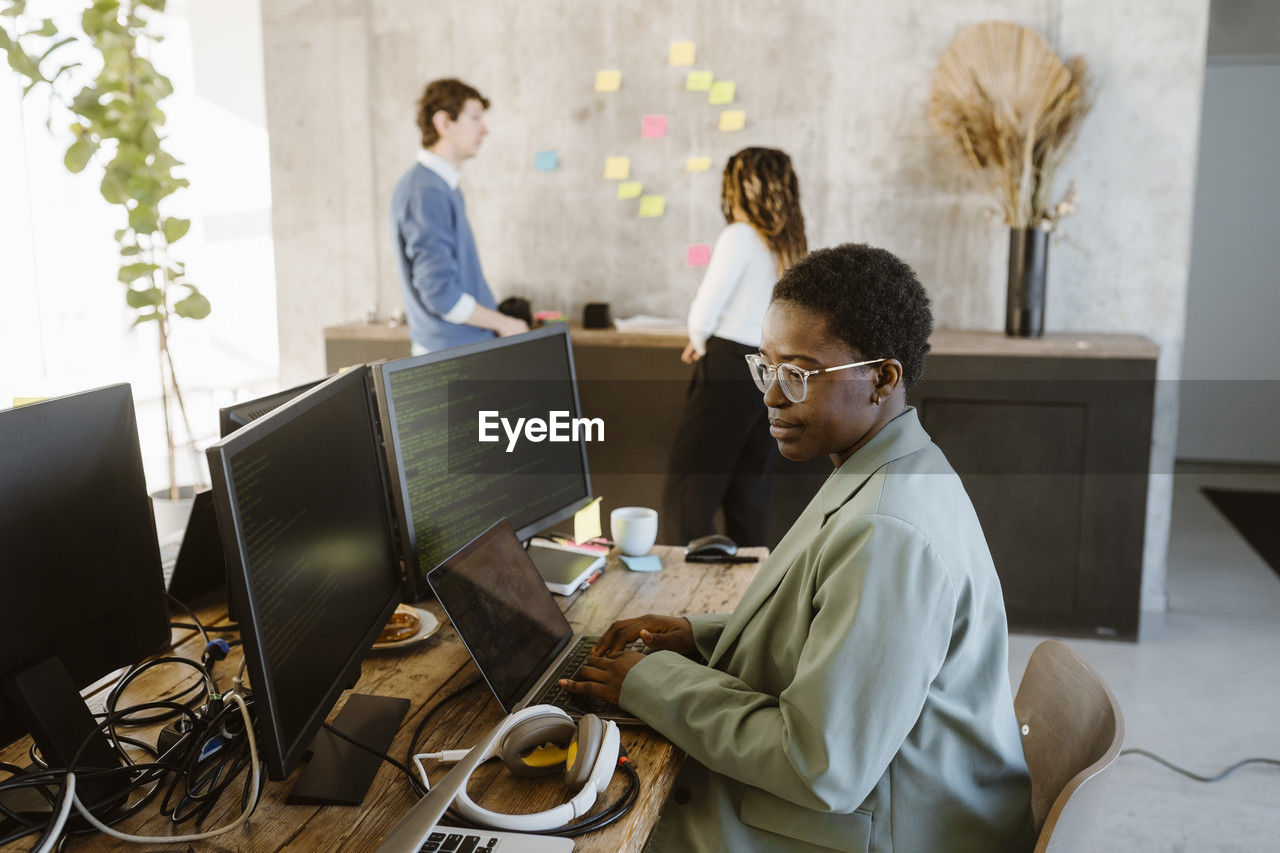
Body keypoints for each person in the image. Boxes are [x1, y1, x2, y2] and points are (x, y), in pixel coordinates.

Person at [562, 244, 1036, 852]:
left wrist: (650, 683)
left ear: (882, 377)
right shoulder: (891, 463)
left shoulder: (888, 532)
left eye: (798, 374)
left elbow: (822, 767)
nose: (772, 396)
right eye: (765, 368)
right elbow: (828, 627)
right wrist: (697, 634)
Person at [662, 147, 806, 547]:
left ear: (739, 187)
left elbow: (704, 311)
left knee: (692, 487)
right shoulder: (789, 243)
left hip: (728, 365)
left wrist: (697, 337)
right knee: (749, 490)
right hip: (769, 369)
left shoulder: (740, 236)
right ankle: (750, 596)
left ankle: (688, 588)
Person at [391, 78, 527, 355]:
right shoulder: (425, 192)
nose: (484, 130)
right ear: (444, 123)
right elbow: (441, 295)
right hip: (450, 357)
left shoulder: (440, 187)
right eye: (475, 118)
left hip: (460, 351)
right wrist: (505, 323)